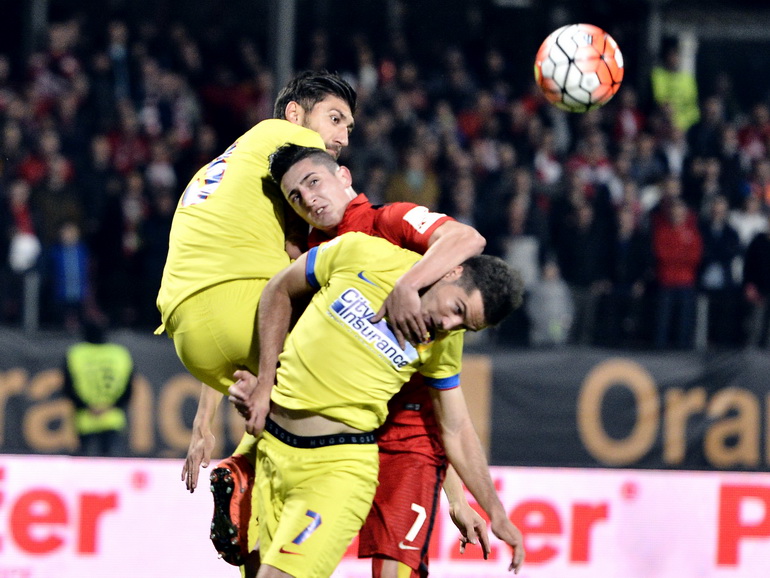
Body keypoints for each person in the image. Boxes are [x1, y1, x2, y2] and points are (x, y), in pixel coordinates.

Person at [228, 231, 526, 578]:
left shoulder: (442, 343)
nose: (449, 325)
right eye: (457, 309)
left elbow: (455, 428)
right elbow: (279, 289)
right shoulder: (364, 252)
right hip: (272, 453)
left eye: (465, 326)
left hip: (337, 470)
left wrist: (496, 511)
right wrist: (264, 383)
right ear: (451, 272)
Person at [155, 70, 357, 571]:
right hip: (242, 304)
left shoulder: (225, 166)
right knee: (360, 375)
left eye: (350, 129)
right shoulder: (287, 141)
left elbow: (238, 290)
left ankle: (254, 528)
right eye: (335, 119)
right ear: (294, 113)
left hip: (194, 333)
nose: (341, 138)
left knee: (277, 429)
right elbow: (335, 218)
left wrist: (204, 421)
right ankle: (246, 473)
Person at [267, 143, 489, 577]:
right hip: (333, 428)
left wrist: (458, 496)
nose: (310, 198)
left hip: (406, 433)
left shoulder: (388, 221)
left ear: (344, 177)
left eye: (314, 183)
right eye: (296, 195)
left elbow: (468, 239)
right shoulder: (306, 257)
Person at [62, 319, 134, 457]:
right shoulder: (120, 354)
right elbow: (129, 390)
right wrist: (110, 406)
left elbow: (68, 388)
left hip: (85, 419)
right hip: (113, 419)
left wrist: (87, 406)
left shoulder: (76, 354)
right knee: (111, 470)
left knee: (86, 470)